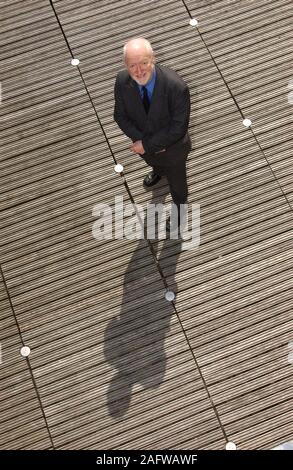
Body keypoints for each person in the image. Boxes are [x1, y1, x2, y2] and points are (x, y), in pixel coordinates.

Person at [114, 37, 191, 226]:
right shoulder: (122, 81)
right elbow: (120, 116)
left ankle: (179, 214)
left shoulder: (177, 87)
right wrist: (145, 145)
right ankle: (158, 171)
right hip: (145, 148)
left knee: (178, 185)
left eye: (144, 63)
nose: (139, 71)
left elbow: (178, 128)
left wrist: (146, 144)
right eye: (132, 65)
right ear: (125, 65)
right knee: (154, 163)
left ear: (153, 59)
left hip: (173, 151)